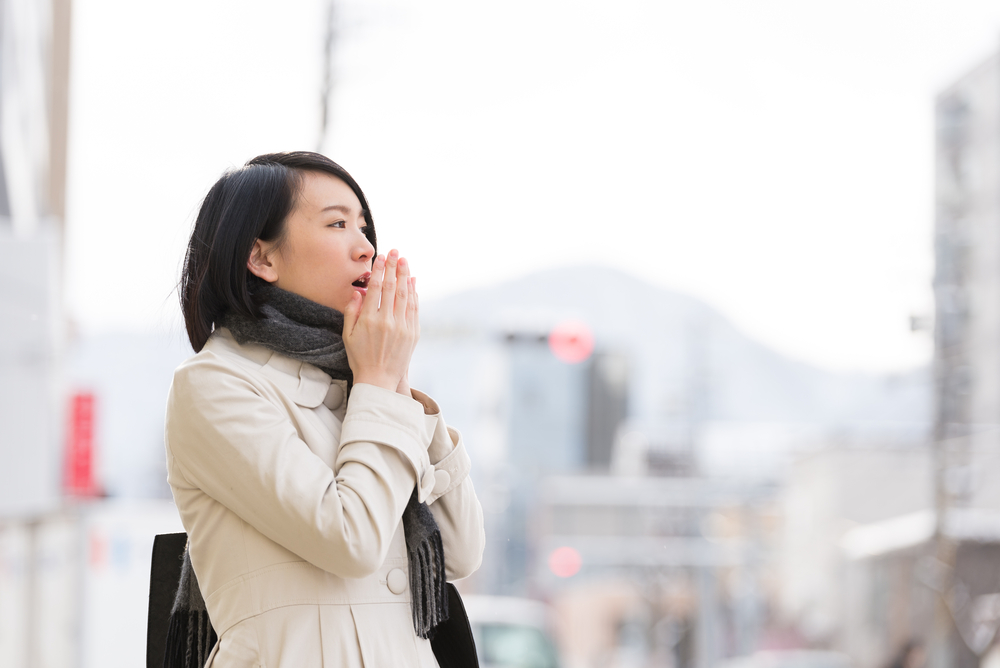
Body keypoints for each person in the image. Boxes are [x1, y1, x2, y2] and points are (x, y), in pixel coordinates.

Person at [164, 151, 485, 667]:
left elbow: (461, 550)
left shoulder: (362, 381)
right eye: (337, 223)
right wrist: (380, 383)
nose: (366, 249)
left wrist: (394, 380)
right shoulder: (215, 385)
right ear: (261, 258)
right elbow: (349, 540)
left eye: (365, 227)